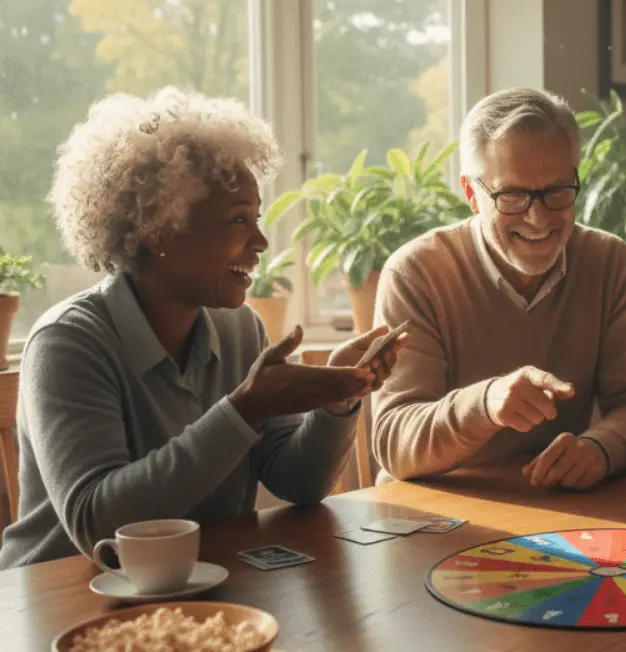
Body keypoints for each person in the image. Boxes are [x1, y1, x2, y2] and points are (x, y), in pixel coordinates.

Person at [0, 87, 403, 569]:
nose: (261, 241)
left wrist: (336, 402)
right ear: (159, 228)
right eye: (238, 220)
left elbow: (298, 482)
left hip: (196, 593)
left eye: (256, 217)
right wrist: (243, 410)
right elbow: (97, 524)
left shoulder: (240, 329)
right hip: (60, 607)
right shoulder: (67, 343)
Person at [370, 88, 626, 490]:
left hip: (557, 509)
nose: (538, 217)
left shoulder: (608, 262)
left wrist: (600, 448)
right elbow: (394, 443)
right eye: (512, 195)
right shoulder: (416, 273)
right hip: (429, 517)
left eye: (558, 192)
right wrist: (486, 404)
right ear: (471, 195)